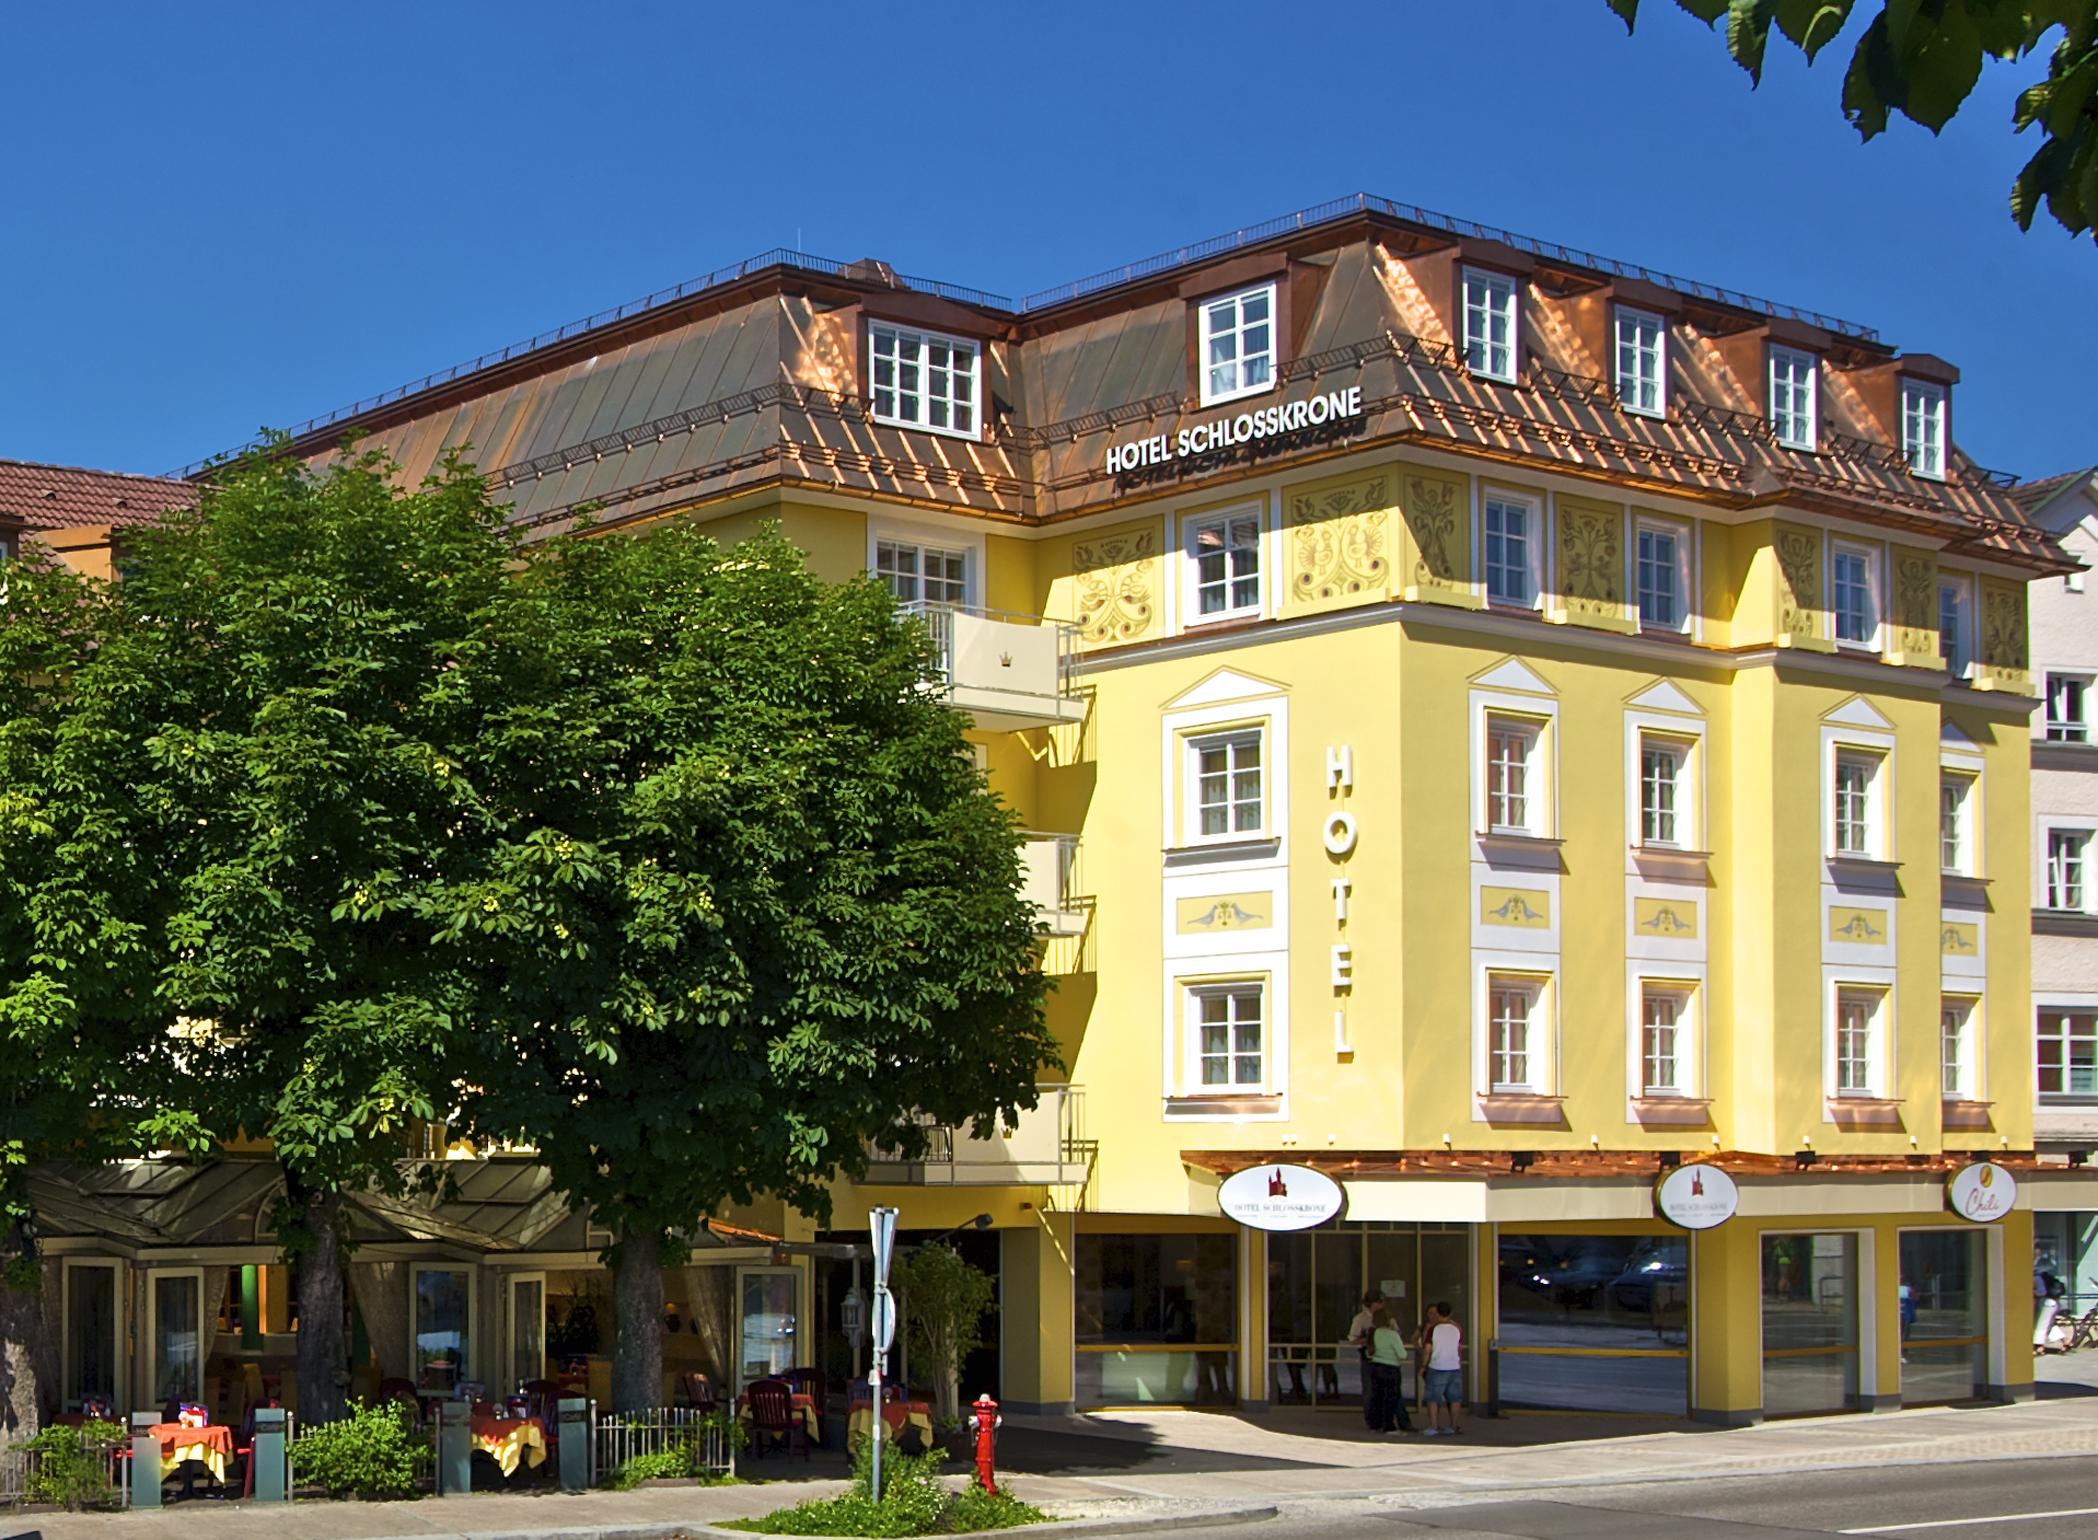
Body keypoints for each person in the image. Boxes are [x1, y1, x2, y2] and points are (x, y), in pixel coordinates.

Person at [1364, 1304, 1411, 1435]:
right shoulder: (1392, 1335)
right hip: (1390, 1369)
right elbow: (1402, 1354)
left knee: (1377, 1397)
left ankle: (1375, 1425)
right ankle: (1389, 1426)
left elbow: (1369, 1353)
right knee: (1391, 1398)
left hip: (1375, 1367)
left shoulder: (1373, 1333)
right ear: (1388, 1320)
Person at [1421, 1301, 1464, 1437]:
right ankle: (1453, 1426)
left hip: (1437, 1366)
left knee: (1433, 1398)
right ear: (1450, 1313)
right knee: (1455, 1398)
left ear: (1438, 1313)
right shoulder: (1457, 1328)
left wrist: (1423, 1365)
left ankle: (1434, 1426)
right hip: (1454, 1366)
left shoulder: (1433, 1329)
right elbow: (1459, 1347)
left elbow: (1427, 1348)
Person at [1343, 1289, 1385, 1429]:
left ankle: (1387, 1420)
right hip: (1369, 1357)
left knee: (1386, 1390)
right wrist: (1368, 1340)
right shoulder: (1360, 1319)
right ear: (1372, 1303)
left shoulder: (1387, 1317)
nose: (1382, 1305)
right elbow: (1352, 1339)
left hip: (1386, 1357)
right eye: (1379, 1302)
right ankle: (1372, 1422)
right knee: (1369, 1390)